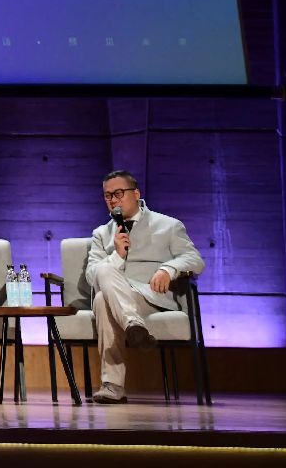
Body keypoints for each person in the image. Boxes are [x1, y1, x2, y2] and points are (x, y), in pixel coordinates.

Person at [85, 169, 204, 404]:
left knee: (102, 294)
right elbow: (92, 275)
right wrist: (117, 256)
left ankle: (112, 383)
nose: (113, 200)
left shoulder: (168, 225)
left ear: (136, 193)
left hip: (153, 297)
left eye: (119, 193)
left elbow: (195, 259)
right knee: (102, 285)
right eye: (108, 196)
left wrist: (168, 269)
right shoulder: (102, 233)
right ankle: (132, 327)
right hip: (119, 298)